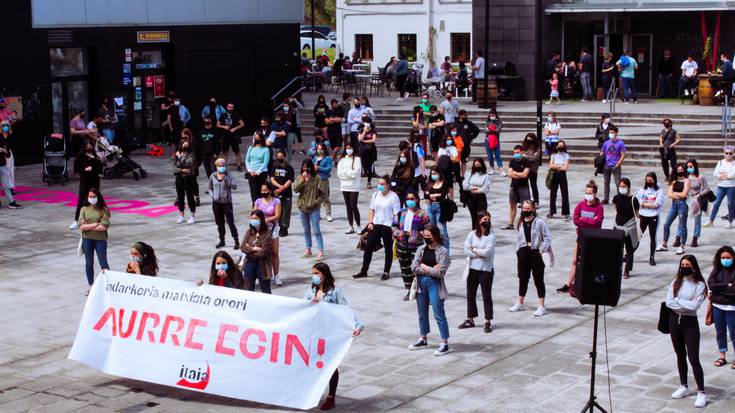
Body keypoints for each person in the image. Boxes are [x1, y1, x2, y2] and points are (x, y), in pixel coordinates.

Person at [304, 262, 362, 411]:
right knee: (313, 364)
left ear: (325, 274)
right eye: (313, 273)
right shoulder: (310, 291)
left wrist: (357, 325)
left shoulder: (335, 292)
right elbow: (301, 308)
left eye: (317, 273)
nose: (314, 276)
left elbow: (345, 310)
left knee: (331, 365)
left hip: (330, 334)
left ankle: (331, 397)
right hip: (315, 334)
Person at [666, 255, 708, 408]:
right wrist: (682, 303)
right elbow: (669, 302)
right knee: (680, 355)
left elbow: (695, 307)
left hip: (690, 323)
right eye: (682, 264)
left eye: (687, 264)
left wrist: (678, 301)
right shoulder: (675, 282)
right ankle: (684, 385)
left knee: (693, 358)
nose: (684, 267)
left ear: (693, 267)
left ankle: (702, 392)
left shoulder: (700, 285)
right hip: (674, 321)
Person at [408, 225, 452, 356]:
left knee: (438, 313)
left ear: (436, 236)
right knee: (422, 313)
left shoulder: (442, 251)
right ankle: (423, 338)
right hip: (421, 283)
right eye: (424, 236)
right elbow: (413, 267)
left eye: (429, 236)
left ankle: (444, 342)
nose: (426, 238)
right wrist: (431, 269)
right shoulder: (421, 249)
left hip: (435, 285)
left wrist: (425, 267)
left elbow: (441, 272)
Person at [559, 180, 604, 293]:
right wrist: (588, 220)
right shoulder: (580, 205)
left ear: (595, 194)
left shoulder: (599, 208)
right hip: (580, 238)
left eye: (590, 193)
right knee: (575, 261)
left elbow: (597, 222)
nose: (588, 195)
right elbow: (575, 220)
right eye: (586, 193)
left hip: (593, 239)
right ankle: (568, 284)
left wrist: (583, 220)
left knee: (589, 263)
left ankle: (589, 284)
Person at [353, 175, 401, 280]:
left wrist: (395, 229)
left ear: (388, 185)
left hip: (388, 226)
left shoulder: (394, 197)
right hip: (376, 224)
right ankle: (364, 270)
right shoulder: (375, 195)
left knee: (388, 249)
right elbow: (372, 210)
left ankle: (386, 272)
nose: (380, 186)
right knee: (368, 246)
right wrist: (370, 223)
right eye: (379, 184)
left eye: (382, 184)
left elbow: (397, 214)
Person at [509, 201, 551, 316]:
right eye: (524, 208)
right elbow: (519, 237)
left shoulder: (539, 222)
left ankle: (541, 305)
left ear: (533, 209)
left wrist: (541, 250)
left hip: (535, 252)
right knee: (522, 277)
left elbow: (547, 237)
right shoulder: (521, 222)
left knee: (538, 278)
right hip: (523, 252)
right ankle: (520, 302)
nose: (526, 210)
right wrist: (518, 250)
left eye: (528, 208)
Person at [460, 211, 496, 332]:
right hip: (472, 268)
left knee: (486, 296)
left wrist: (474, 250)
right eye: (484, 219)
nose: (487, 222)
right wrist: (478, 253)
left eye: (488, 219)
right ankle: (470, 319)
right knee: (470, 294)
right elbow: (466, 250)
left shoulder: (492, 236)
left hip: (486, 270)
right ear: (479, 221)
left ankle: (488, 321)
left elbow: (487, 252)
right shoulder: (472, 234)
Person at [394, 192, 430, 300]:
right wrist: (398, 233)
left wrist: (417, 234)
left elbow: (429, 229)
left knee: (418, 269)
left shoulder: (423, 214)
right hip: (402, 244)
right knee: (405, 269)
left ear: (417, 200)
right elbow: (394, 226)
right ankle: (409, 289)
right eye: (408, 198)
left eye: (412, 198)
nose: (409, 201)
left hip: (417, 245)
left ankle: (422, 292)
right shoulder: (401, 213)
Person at [78, 188, 110, 293]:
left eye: (94, 197)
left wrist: (88, 226)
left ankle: (108, 284)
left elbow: (104, 227)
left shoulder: (104, 209)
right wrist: (96, 223)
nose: (91, 199)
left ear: (98, 197)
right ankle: (90, 285)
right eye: (90, 197)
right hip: (87, 240)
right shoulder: (84, 209)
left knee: (103, 263)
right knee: (89, 263)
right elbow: (81, 226)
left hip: (100, 240)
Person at [708, 246, 735, 369]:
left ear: (733, 257)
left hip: (731, 308)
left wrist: (719, 290)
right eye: (723, 258)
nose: (725, 260)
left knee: (733, 333)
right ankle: (722, 356)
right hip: (717, 306)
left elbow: (733, 291)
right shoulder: (717, 269)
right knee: (720, 332)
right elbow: (711, 284)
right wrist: (726, 286)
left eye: (728, 258)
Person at [294, 159, 326, 261]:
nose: (305, 169)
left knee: (316, 230)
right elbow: (295, 189)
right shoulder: (300, 177)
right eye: (304, 167)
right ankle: (308, 249)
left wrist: (315, 203)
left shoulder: (317, 179)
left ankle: (321, 250)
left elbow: (322, 195)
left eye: (307, 167)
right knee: (306, 229)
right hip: (302, 207)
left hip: (313, 209)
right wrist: (303, 180)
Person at [658, 164, 692, 255]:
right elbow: (669, 194)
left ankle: (682, 246)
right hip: (674, 204)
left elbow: (684, 195)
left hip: (683, 204)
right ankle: (664, 244)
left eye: (682, 169)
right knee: (666, 224)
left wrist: (675, 193)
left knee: (682, 225)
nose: (680, 171)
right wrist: (678, 194)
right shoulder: (673, 181)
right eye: (679, 170)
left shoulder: (686, 181)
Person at [254, 183, 282, 286]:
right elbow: (254, 214)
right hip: (261, 230)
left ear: (270, 190)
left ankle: (277, 276)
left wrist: (267, 220)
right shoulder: (258, 201)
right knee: (264, 253)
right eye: (262, 190)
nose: (263, 192)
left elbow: (277, 215)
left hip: (272, 229)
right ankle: (267, 275)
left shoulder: (276, 201)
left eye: (265, 190)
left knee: (274, 253)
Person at [239, 210, 273, 293]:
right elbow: (242, 247)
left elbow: (263, 252)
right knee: (248, 289)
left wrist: (249, 248)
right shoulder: (249, 232)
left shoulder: (267, 234)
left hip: (262, 264)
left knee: (265, 290)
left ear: (261, 219)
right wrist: (253, 249)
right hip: (249, 263)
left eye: (256, 218)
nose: (253, 220)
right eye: (252, 218)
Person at [209, 158, 240, 249]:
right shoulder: (213, 176)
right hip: (216, 203)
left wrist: (226, 180)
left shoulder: (229, 175)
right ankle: (222, 240)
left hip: (226, 202)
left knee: (230, 222)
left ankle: (236, 240)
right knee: (219, 222)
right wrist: (213, 196)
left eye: (223, 165)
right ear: (216, 166)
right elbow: (209, 188)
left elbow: (234, 186)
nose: (221, 167)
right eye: (220, 165)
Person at [613, 178, 640, 279]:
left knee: (629, 249)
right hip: (617, 225)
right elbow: (616, 209)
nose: (622, 188)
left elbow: (637, 214)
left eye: (624, 186)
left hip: (630, 226)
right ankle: (616, 268)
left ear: (628, 187)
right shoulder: (616, 198)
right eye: (620, 186)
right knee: (617, 249)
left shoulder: (633, 199)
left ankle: (627, 270)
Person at [70, 142, 101, 229]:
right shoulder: (80, 157)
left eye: (90, 146)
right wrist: (84, 170)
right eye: (87, 146)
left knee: (95, 200)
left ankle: (96, 219)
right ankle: (77, 221)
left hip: (94, 180)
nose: (89, 147)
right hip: (85, 181)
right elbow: (77, 169)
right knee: (82, 200)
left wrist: (93, 168)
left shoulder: (96, 157)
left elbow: (100, 168)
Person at [637, 172, 665, 266]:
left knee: (652, 237)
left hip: (653, 216)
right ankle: (629, 253)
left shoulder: (659, 191)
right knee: (638, 236)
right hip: (643, 216)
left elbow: (657, 204)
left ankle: (652, 257)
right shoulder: (642, 190)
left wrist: (645, 204)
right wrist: (647, 205)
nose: (648, 182)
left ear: (654, 180)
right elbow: (638, 201)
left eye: (650, 180)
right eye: (647, 180)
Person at [704, 147, 735, 228]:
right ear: (724, 153)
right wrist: (726, 176)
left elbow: (733, 175)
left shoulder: (734, 163)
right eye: (726, 153)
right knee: (716, 203)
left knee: (730, 204)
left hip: (731, 187)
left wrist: (722, 175)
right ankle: (711, 220)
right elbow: (715, 173)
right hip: (721, 187)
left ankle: (730, 222)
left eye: (730, 153)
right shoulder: (720, 162)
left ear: (733, 154)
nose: (728, 155)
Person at [502, 146, 531, 230]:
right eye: (515, 153)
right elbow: (509, 173)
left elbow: (525, 174)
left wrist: (514, 173)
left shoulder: (526, 161)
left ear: (522, 152)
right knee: (512, 205)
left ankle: (525, 223)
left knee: (525, 206)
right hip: (513, 186)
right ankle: (510, 224)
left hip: (523, 187)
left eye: (517, 153)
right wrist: (519, 174)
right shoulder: (512, 161)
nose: (516, 154)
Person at [684, 159, 710, 247]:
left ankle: (695, 238)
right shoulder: (685, 177)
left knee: (697, 221)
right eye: (687, 167)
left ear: (695, 166)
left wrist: (699, 194)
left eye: (690, 166)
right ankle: (679, 237)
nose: (689, 169)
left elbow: (707, 189)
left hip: (697, 200)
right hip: (686, 199)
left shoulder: (700, 177)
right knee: (682, 219)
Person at [337, 143, 362, 233]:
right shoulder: (342, 160)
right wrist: (349, 173)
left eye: (350, 148)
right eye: (347, 148)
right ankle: (350, 226)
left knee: (353, 205)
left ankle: (358, 225)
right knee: (348, 206)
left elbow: (355, 173)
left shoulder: (357, 159)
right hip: (344, 186)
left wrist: (346, 173)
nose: (348, 150)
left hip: (354, 186)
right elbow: (339, 173)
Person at [270, 150, 294, 237]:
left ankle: (284, 227)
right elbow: (272, 179)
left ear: (284, 157)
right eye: (278, 157)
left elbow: (290, 180)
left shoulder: (289, 168)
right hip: (276, 192)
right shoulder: (274, 167)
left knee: (286, 211)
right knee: (277, 210)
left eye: (281, 157)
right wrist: (278, 186)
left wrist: (283, 187)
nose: (279, 158)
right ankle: (278, 226)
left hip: (286, 193)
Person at [425, 168, 450, 248]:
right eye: (432, 174)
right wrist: (436, 195)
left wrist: (432, 195)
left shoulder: (444, 183)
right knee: (432, 229)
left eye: (435, 173)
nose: (433, 175)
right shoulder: (430, 184)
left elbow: (442, 196)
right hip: (431, 207)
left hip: (440, 208)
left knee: (442, 231)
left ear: (439, 174)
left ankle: (446, 251)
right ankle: (434, 247)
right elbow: (426, 195)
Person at [600, 125, 626, 204]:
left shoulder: (620, 143)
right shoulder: (606, 143)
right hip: (606, 165)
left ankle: (620, 198)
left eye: (612, 132)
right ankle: (606, 198)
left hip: (615, 165)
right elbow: (602, 152)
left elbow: (623, 155)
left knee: (618, 183)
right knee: (606, 182)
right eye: (609, 132)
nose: (610, 134)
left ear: (616, 133)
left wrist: (618, 164)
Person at [462, 158, 491, 230]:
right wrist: (474, 187)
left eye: (478, 165)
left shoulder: (486, 176)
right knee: (473, 217)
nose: (476, 166)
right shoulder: (470, 174)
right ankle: (474, 232)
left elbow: (485, 189)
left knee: (481, 216)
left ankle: (483, 232)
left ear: (482, 165)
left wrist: (474, 190)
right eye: (475, 165)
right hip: (470, 199)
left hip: (481, 198)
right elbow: (465, 185)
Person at [174, 140, 197, 224]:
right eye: (184, 144)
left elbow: (189, 163)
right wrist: (183, 170)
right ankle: (181, 216)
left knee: (190, 197)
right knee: (180, 197)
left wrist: (181, 157)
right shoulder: (177, 154)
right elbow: (175, 167)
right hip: (179, 178)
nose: (185, 146)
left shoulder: (191, 154)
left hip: (189, 178)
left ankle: (192, 216)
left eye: (187, 145)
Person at [217, 103, 245, 171]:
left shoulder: (235, 114)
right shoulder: (223, 115)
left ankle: (238, 166)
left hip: (234, 136)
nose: (230, 108)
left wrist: (235, 128)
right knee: (225, 152)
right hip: (225, 136)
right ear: (226, 107)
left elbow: (242, 124)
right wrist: (224, 127)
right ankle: (224, 167)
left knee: (237, 151)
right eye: (229, 107)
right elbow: (217, 125)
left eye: (232, 107)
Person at [244, 133, 270, 206]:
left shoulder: (266, 149)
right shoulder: (251, 148)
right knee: (253, 192)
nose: (257, 140)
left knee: (260, 192)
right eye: (256, 138)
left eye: (258, 138)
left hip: (261, 173)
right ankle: (254, 208)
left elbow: (265, 163)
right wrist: (249, 170)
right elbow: (247, 160)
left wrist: (258, 172)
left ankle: (262, 208)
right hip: (251, 173)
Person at [547, 139, 570, 220]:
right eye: (559, 145)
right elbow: (551, 165)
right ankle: (551, 212)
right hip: (554, 174)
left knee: (564, 194)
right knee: (553, 194)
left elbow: (565, 168)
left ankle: (566, 213)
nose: (560, 147)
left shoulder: (566, 155)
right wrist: (560, 166)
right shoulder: (553, 155)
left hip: (562, 175)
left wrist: (556, 165)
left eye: (562, 145)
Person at [453, 109, 480, 176]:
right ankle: (456, 175)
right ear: (460, 115)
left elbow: (477, 130)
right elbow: (450, 132)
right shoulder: (455, 123)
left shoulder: (468, 123)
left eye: (466, 115)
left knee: (464, 161)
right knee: (455, 162)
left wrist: (471, 137)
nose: (466, 116)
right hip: (456, 147)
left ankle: (463, 176)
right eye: (464, 115)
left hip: (466, 146)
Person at [312, 143, 333, 222]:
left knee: (325, 197)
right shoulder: (315, 158)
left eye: (321, 149)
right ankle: (317, 213)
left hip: (323, 179)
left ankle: (328, 214)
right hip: (315, 179)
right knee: (316, 197)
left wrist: (319, 168)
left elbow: (328, 169)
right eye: (318, 149)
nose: (319, 150)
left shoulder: (328, 158)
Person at [358, 117, 378, 188]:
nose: (367, 124)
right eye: (365, 122)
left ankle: (369, 182)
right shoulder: (361, 129)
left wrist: (364, 141)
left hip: (371, 150)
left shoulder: (373, 130)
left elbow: (373, 140)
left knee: (370, 166)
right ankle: (364, 171)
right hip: (363, 150)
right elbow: (360, 139)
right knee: (364, 165)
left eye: (368, 122)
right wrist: (364, 132)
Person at [523, 133, 542, 206]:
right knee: (525, 185)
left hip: (533, 169)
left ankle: (536, 201)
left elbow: (536, 158)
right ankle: (525, 201)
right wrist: (530, 156)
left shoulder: (537, 147)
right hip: (525, 168)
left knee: (533, 185)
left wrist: (526, 156)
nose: (529, 140)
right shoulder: (524, 146)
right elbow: (522, 155)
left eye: (530, 138)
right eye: (528, 138)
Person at [484, 110, 504, 175]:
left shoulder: (499, 121)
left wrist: (490, 129)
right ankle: (492, 168)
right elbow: (485, 131)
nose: (492, 116)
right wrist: (492, 129)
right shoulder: (487, 121)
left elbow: (498, 130)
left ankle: (501, 169)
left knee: (497, 155)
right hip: (488, 140)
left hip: (496, 140)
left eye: (493, 115)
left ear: (496, 115)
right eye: (491, 115)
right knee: (489, 155)